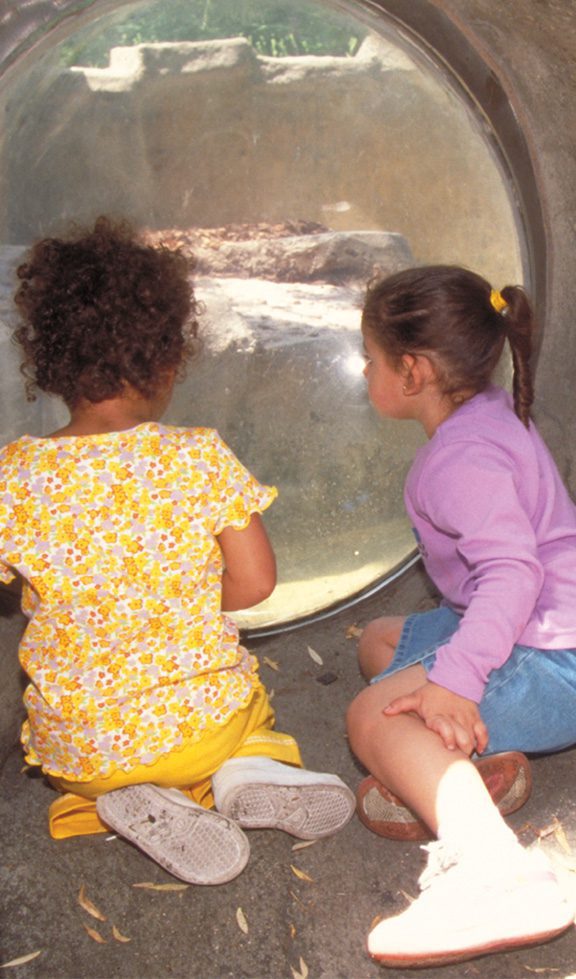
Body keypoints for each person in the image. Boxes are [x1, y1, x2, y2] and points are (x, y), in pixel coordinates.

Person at [1, 216, 355, 887]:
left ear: (48, 361)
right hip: (201, 730)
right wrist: (175, 602)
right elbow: (254, 582)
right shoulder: (196, 456)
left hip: (83, 748)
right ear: (165, 359)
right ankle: (245, 768)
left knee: (69, 766)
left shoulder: (14, 475)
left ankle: (115, 801)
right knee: (244, 711)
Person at [346, 264, 576, 967]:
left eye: (371, 358)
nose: (364, 370)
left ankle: (497, 872)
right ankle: (468, 771)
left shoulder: (460, 459)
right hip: (545, 630)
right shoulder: (490, 409)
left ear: (412, 371)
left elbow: (512, 571)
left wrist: (458, 680)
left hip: (556, 663)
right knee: (382, 641)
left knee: (370, 717)